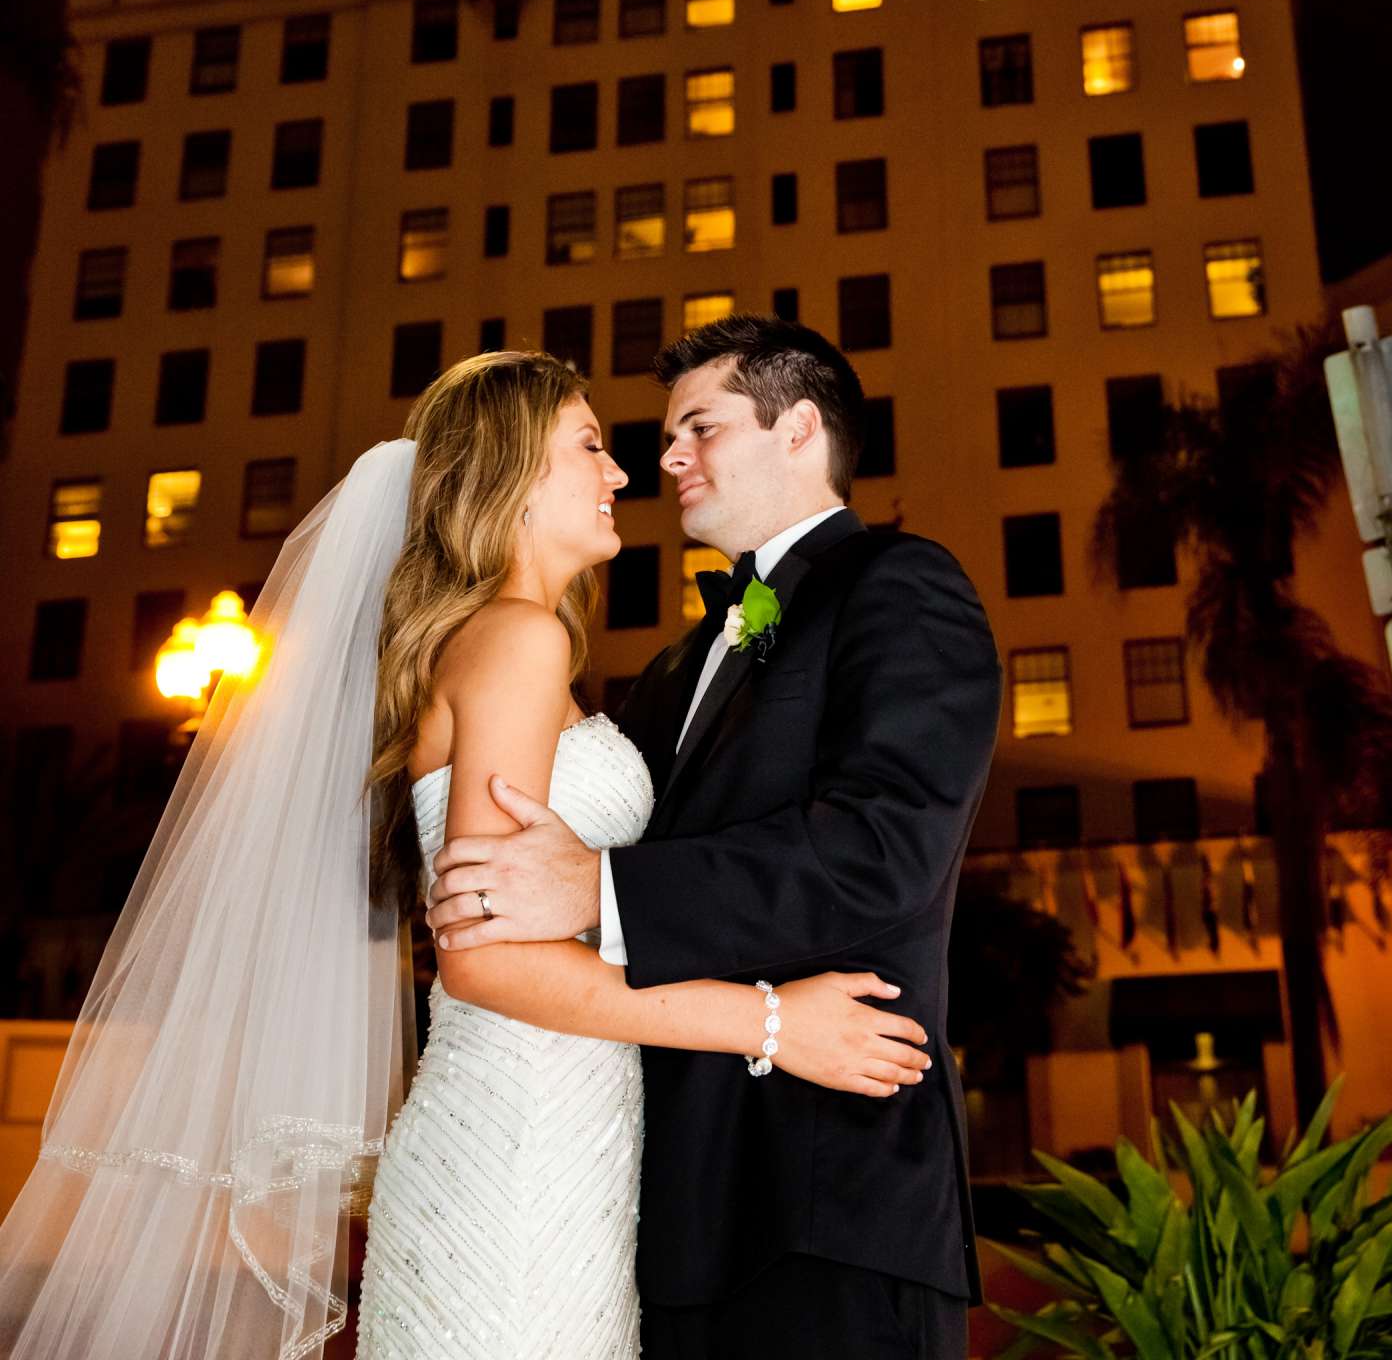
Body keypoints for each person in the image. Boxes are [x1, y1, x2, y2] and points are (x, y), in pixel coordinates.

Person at [0, 349, 929, 1360]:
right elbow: (484, 963)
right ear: (512, 472)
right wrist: (770, 1021)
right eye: (590, 447)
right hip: (520, 1140)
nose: (623, 473)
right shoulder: (516, 641)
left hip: (566, 1132)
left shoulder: (512, 643)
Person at [427, 315, 1003, 1360]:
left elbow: (884, 845)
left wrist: (599, 891)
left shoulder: (899, 586)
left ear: (799, 433)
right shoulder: (664, 674)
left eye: (700, 427)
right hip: (653, 1209)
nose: (664, 457)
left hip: (831, 1189)